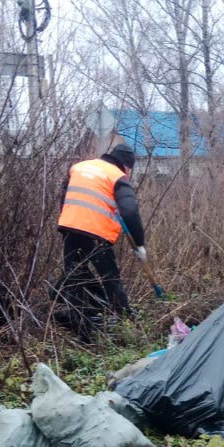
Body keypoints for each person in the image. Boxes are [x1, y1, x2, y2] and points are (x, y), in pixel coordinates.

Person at [56, 143, 147, 341]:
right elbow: (130, 211)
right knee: (110, 278)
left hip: (69, 227)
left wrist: (68, 219)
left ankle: (83, 330)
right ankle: (127, 322)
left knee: (75, 276)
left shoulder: (79, 167)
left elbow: (64, 197)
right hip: (96, 234)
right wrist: (139, 244)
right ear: (126, 166)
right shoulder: (116, 176)